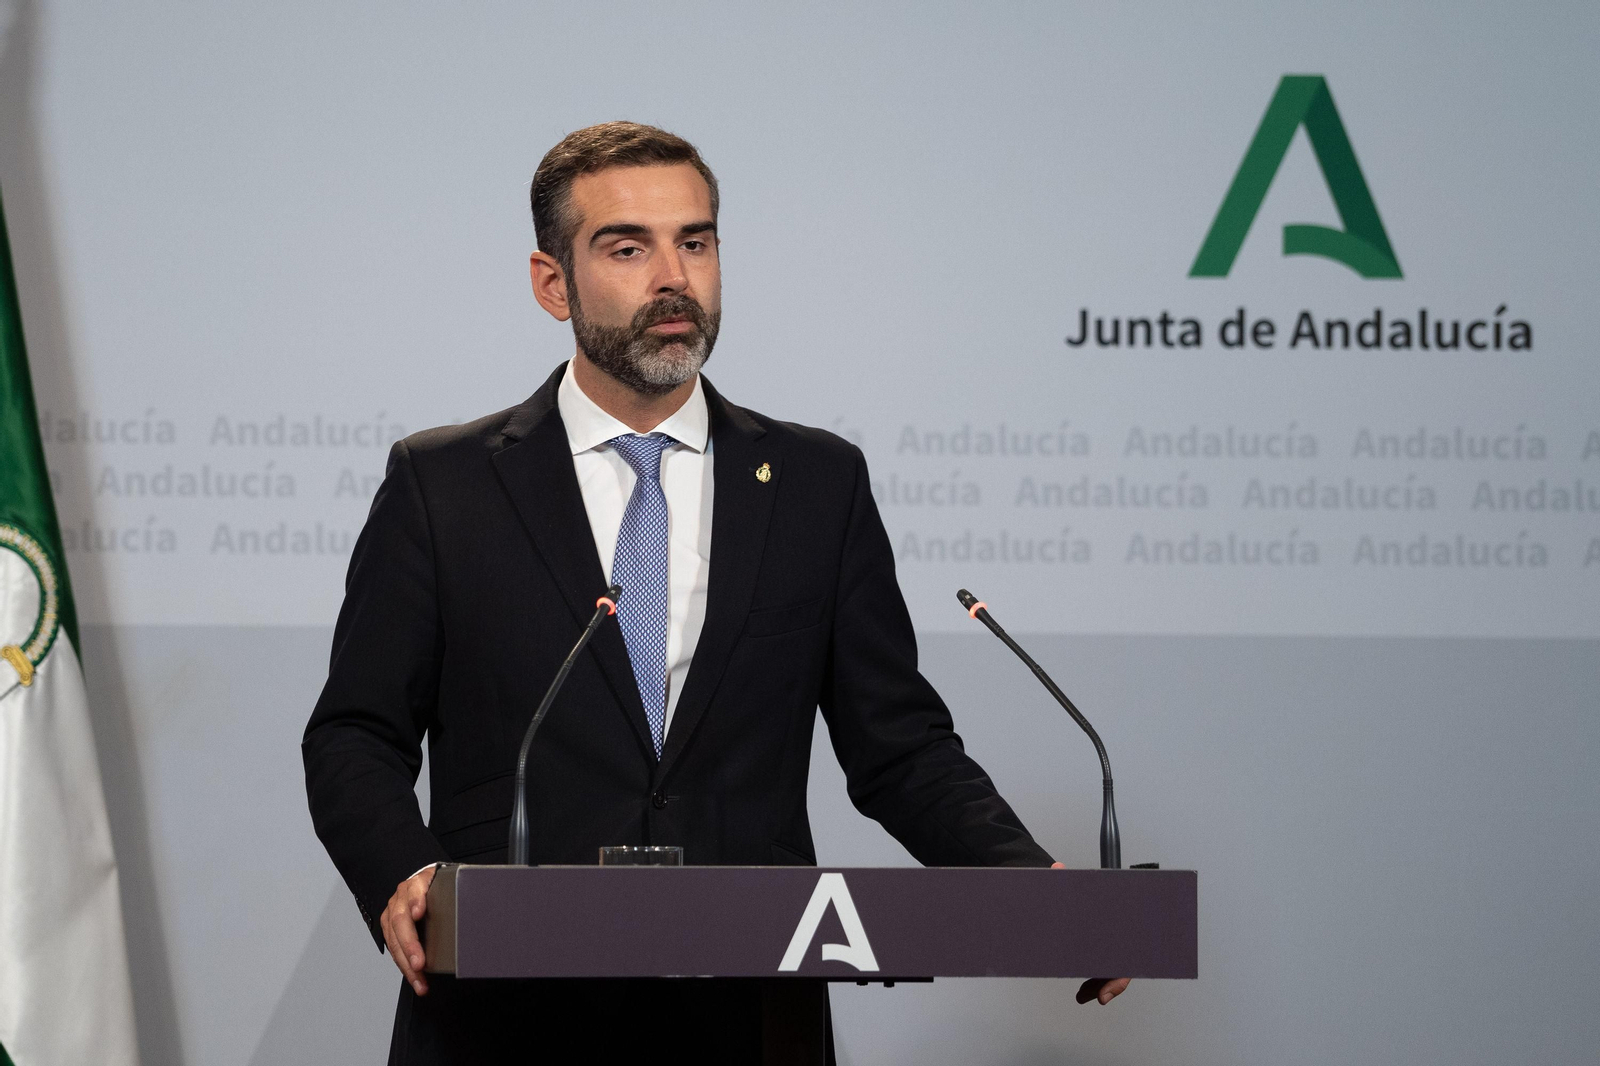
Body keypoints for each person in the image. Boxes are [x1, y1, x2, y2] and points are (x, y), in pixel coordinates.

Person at [302, 121, 1128, 1065]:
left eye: (695, 242)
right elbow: (355, 732)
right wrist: (401, 869)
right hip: (506, 1016)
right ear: (550, 283)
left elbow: (899, 747)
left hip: (748, 1018)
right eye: (627, 247)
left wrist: (1037, 889)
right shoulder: (443, 484)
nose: (673, 277)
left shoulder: (819, 484)